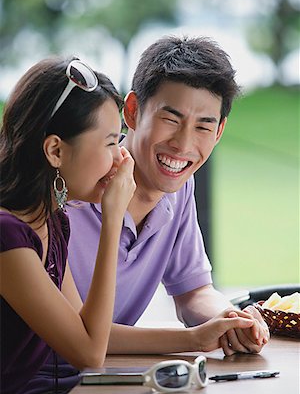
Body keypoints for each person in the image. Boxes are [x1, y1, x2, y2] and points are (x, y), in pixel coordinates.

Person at [66, 35, 269, 356]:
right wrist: (193, 339)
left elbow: (193, 291)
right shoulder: (72, 188)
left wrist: (229, 317)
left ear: (219, 131)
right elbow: (74, 334)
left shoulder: (179, 188)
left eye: (203, 126)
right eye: (171, 119)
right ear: (132, 111)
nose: (183, 145)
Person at [0, 57, 136, 394]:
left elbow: (85, 328)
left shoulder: (51, 220)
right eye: (109, 142)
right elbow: (89, 352)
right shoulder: (7, 236)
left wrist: (196, 337)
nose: (120, 158)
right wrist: (113, 218)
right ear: (55, 150)